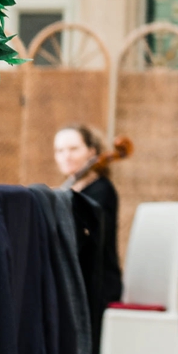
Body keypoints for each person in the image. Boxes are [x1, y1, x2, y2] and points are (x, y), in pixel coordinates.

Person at [55, 124, 123, 309]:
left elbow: (85, 243)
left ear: (92, 152)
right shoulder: (70, 188)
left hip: (95, 286)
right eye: (60, 150)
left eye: (73, 149)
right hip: (76, 280)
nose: (66, 156)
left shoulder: (101, 190)